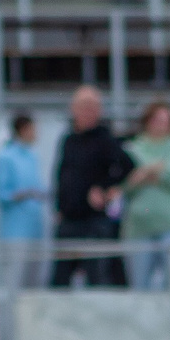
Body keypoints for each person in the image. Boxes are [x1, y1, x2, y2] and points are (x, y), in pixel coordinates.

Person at [52, 85, 131, 290]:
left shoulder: (105, 138)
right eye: (83, 106)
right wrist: (58, 207)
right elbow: (62, 174)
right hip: (69, 218)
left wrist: (105, 189)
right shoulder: (69, 139)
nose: (88, 111)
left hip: (94, 220)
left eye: (93, 106)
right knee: (60, 277)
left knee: (98, 275)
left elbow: (127, 166)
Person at [121, 99, 170, 293]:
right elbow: (125, 185)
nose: (161, 125)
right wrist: (159, 168)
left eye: (166, 120)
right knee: (139, 289)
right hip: (139, 227)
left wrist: (144, 172)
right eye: (157, 119)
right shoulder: (132, 148)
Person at [0, 111, 47, 291]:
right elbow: (1, 194)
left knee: (32, 285)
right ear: (23, 130)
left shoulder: (32, 156)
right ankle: (7, 320)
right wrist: (25, 194)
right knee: (11, 285)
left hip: (34, 231)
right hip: (14, 234)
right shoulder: (5, 157)